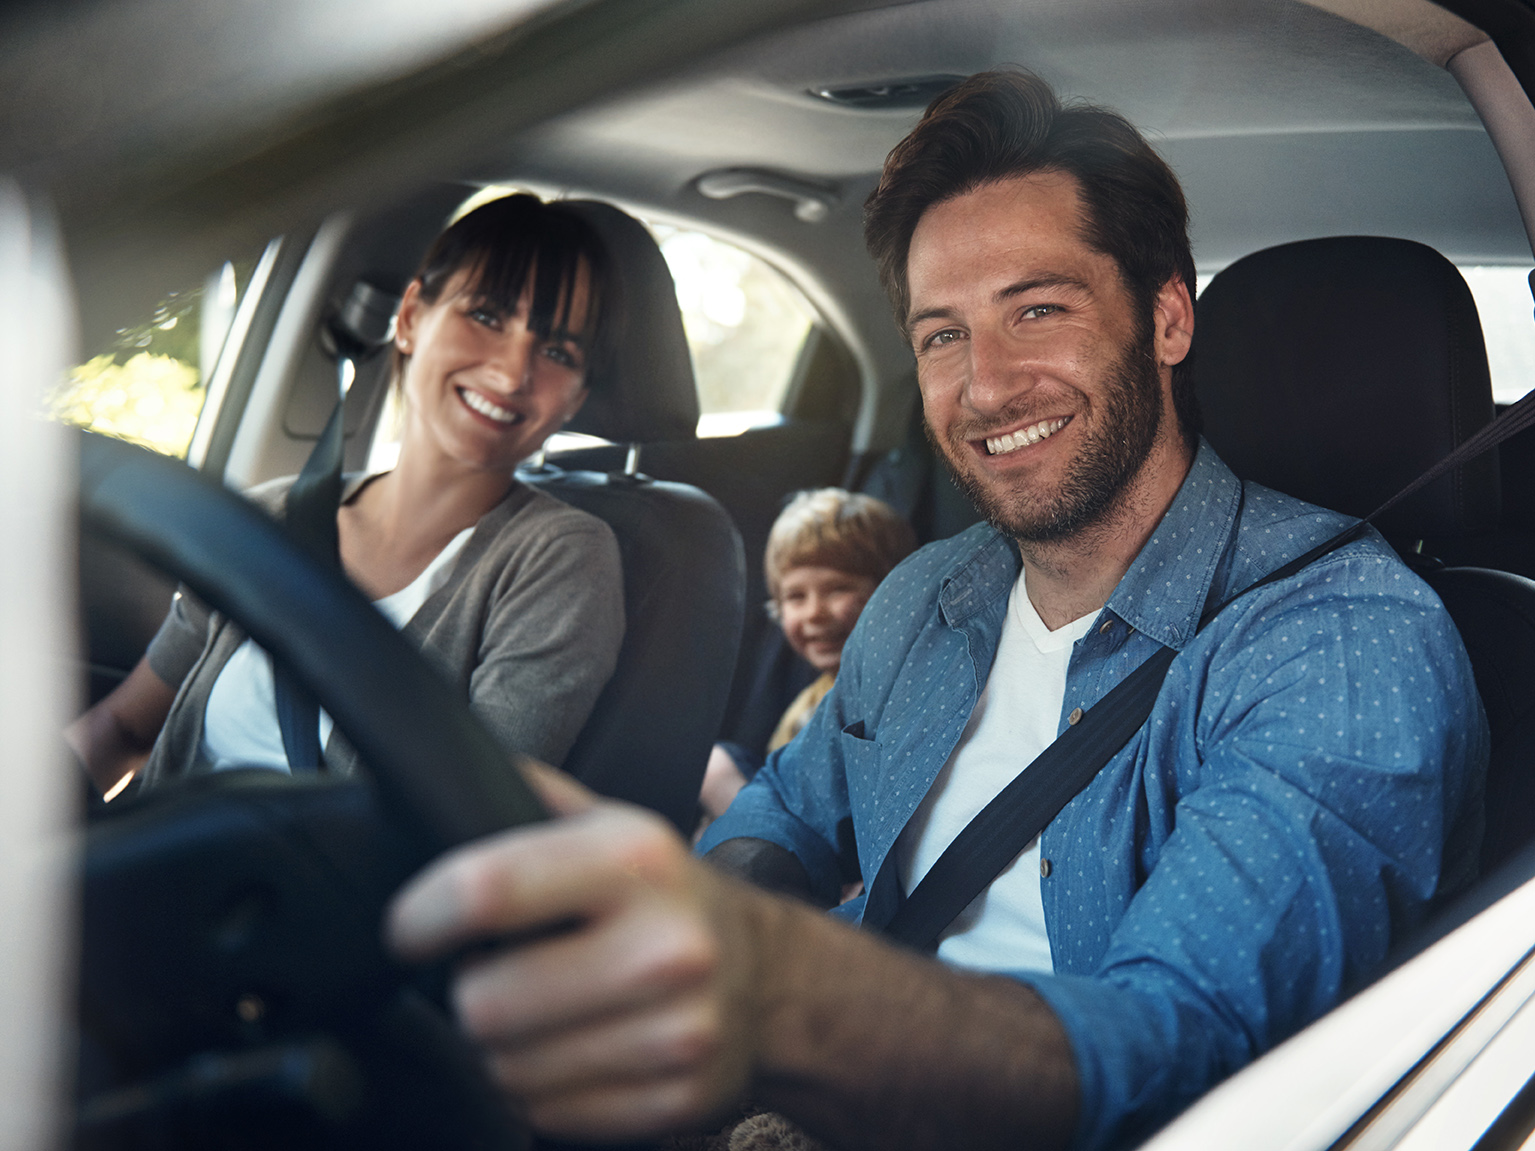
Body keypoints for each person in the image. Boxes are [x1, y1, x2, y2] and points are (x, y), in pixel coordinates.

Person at [384, 71, 1487, 1151]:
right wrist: (675, 932)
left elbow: (1174, 1049)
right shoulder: (927, 593)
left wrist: (782, 991)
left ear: (1163, 320)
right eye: (940, 334)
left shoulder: (1338, 639)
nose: (986, 386)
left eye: (1036, 310)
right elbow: (788, 815)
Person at [68, 193, 625, 795]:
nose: (513, 373)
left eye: (556, 351)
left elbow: (472, 820)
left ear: (575, 396)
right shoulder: (271, 518)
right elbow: (121, 729)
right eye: (487, 317)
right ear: (411, 317)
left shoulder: (561, 558)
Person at [699, 488, 916, 829]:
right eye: (796, 597)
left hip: (831, 830)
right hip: (793, 807)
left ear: (890, 591)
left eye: (837, 589)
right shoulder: (815, 694)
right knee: (714, 762)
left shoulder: (894, 692)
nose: (814, 612)